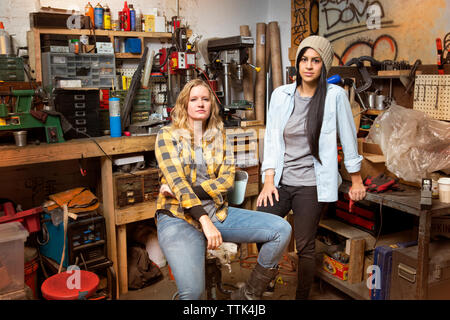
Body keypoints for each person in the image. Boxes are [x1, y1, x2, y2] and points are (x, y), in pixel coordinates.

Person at [154, 78, 292, 300]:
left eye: (205, 99)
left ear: (212, 105)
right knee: (193, 294)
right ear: (184, 105)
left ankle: (248, 295)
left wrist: (186, 191)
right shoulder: (167, 135)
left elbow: (226, 181)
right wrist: (204, 220)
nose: (200, 104)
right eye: (194, 99)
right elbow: (178, 182)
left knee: (281, 230)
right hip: (177, 217)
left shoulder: (220, 137)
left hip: (216, 212)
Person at [256, 35, 367, 300]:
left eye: (315, 61)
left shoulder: (335, 97)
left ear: (323, 65)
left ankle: (302, 296)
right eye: (304, 60)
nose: (308, 66)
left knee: (305, 245)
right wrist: (268, 181)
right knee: (260, 223)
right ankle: (268, 276)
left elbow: (349, 138)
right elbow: (271, 140)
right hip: (282, 180)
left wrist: (356, 179)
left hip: (311, 184)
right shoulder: (280, 96)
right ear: (297, 64)